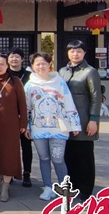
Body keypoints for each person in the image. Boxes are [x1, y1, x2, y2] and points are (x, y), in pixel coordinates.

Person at [24, 52, 81, 201]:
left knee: (58, 159)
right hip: (38, 128)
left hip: (58, 127)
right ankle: (47, 187)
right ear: (32, 66)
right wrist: (27, 126)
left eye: (44, 63)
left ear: (50, 65)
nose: (41, 66)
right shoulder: (30, 85)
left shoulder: (60, 82)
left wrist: (75, 123)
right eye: (37, 64)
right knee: (43, 158)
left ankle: (64, 188)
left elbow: (69, 103)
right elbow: (26, 108)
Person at [59, 40, 102, 202]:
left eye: (78, 51)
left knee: (84, 157)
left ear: (84, 53)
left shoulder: (90, 72)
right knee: (69, 155)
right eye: (72, 51)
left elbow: (96, 98)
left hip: (84, 121)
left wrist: (94, 120)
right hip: (66, 122)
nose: (75, 54)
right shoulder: (62, 71)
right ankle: (73, 186)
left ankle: (86, 189)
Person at [0, 53, 28, 202]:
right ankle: (1, 182)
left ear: (7, 65)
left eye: (2, 64)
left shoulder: (15, 81)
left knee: (10, 155)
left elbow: (22, 104)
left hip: (11, 125)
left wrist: (23, 123)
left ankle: (6, 187)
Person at [7, 47, 34, 188]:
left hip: (25, 114)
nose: (14, 59)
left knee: (26, 145)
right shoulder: (4, 74)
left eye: (17, 56)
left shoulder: (29, 75)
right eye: (12, 56)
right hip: (9, 116)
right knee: (11, 146)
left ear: (22, 59)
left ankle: (27, 174)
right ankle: (9, 174)